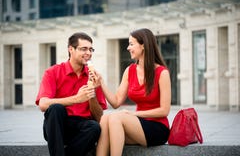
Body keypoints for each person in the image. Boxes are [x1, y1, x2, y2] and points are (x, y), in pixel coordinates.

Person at [93, 28, 171, 156]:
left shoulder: (162, 73)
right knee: (105, 118)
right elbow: (116, 102)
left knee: (116, 117)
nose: (128, 48)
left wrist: (134, 114)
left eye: (131, 44)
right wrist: (101, 82)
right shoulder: (130, 70)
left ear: (143, 45)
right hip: (138, 125)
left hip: (157, 127)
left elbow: (164, 110)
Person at [35, 32, 107, 156]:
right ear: (71, 49)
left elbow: (99, 116)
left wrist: (91, 94)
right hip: (57, 126)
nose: (88, 53)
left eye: (91, 49)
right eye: (83, 49)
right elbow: (43, 104)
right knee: (56, 108)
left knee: (95, 127)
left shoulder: (94, 76)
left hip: (81, 129)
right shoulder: (53, 72)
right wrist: (76, 99)